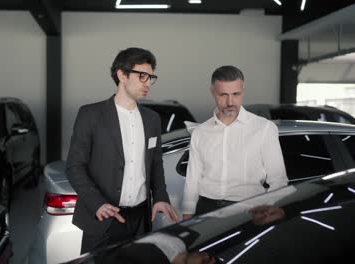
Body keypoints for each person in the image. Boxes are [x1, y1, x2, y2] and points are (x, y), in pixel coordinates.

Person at [66, 47, 179, 254]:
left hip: (140, 219)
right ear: (122, 75)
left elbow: (155, 164)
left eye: (151, 77)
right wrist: (97, 204)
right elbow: (75, 166)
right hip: (103, 217)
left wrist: (161, 197)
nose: (147, 83)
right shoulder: (91, 114)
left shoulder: (152, 119)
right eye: (142, 76)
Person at [182, 65, 288, 220]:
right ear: (213, 93)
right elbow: (192, 180)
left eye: (236, 94)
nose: (230, 102)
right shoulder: (200, 132)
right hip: (206, 210)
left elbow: (278, 180)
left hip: (249, 210)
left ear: (243, 91)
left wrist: (267, 210)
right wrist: (187, 218)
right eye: (223, 95)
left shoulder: (264, 128)